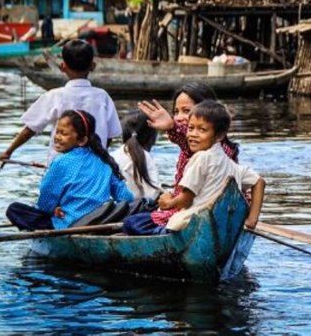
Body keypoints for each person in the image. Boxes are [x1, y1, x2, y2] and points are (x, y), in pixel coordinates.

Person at [123, 101, 264, 235]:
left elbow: (186, 199)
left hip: (192, 223)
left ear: (219, 135)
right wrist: (251, 220)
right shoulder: (232, 165)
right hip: (217, 224)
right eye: (190, 128)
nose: (193, 135)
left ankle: (160, 234)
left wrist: (168, 203)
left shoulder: (201, 158)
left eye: (202, 130)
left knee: (131, 223)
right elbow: (259, 182)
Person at [0, 39, 122, 168]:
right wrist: (98, 154)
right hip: (94, 171)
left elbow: (30, 129)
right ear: (92, 66)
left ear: (63, 67)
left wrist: (8, 152)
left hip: (60, 170)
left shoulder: (55, 96)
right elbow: (111, 134)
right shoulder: (103, 97)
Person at [5, 110, 133, 231]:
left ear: (82, 140)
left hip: (68, 223)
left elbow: (46, 202)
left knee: (14, 209)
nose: (57, 137)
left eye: (64, 133)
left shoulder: (60, 161)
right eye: (57, 132)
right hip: (102, 219)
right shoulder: (104, 160)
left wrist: (54, 210)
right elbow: (125, 197)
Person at [138, 82, 240, 228]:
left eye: (186, 111)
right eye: (176, 112)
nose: (179, 117)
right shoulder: (197, 143)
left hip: (192, 213)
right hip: (189, 209)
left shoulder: (211, 149)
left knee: (133, 222)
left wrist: (172, 127)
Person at [110, 109, 162, 200]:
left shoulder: (112, 155)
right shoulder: (145, 156)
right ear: (151, 137)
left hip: (117, 209)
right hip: (136, 210)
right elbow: (153, 194)